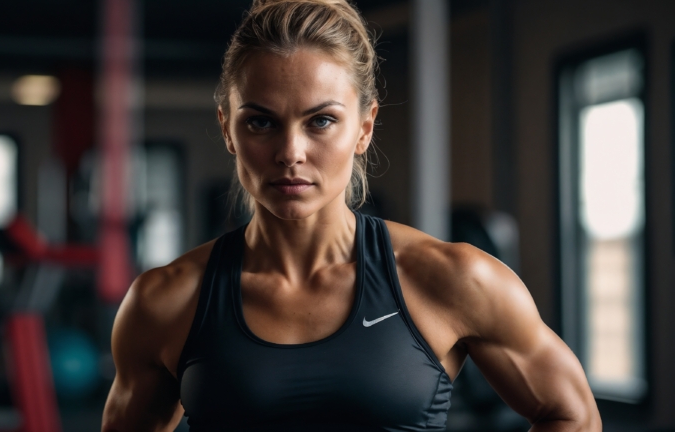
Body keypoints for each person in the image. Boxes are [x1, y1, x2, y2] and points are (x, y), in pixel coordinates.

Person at [102, 0, 601, 431]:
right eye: (261, 122)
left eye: (321, 121)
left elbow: (572, 415)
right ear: (228, 130)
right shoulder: (165, 301)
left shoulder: (451, 280)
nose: (290, 151)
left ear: (364, 128)